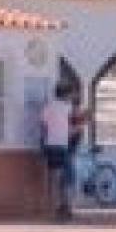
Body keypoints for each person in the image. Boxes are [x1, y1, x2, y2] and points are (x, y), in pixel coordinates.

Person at [39, 85, 78, 221]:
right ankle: (66, 207)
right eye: (70, 94)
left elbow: (43, 127)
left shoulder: (47, 107)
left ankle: (53, 208)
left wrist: (43, 143)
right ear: (66, 94)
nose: (72, 97)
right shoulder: (68, 108)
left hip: (49, 145)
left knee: (53, 177)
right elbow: (71, 128)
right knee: (68, 178)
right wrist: (79, 127)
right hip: (62, 145)